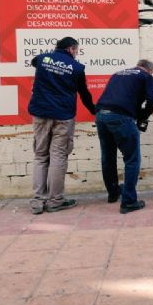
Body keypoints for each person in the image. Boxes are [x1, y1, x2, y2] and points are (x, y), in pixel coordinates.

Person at [28, 36, 96, 214]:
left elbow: (34, 62)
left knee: (40, 156)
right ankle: (55, 201)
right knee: (58, 157)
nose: (77, 53)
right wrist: (93, 110)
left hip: (41, 113)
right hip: (63, 116)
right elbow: (84, 93)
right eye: (76, 50)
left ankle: (37, 202)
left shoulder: (42, 59)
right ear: (71, 49)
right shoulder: (77, 68)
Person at [95, 59, 153, 214]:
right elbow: (152, 100)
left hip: (101, 116)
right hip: (121, 118)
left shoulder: (118, 74)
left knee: (108, 157)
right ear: (150, 70)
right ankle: (129, 201)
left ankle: (113, 193)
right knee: (132, 159)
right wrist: (143, 116)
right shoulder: (146, 76)